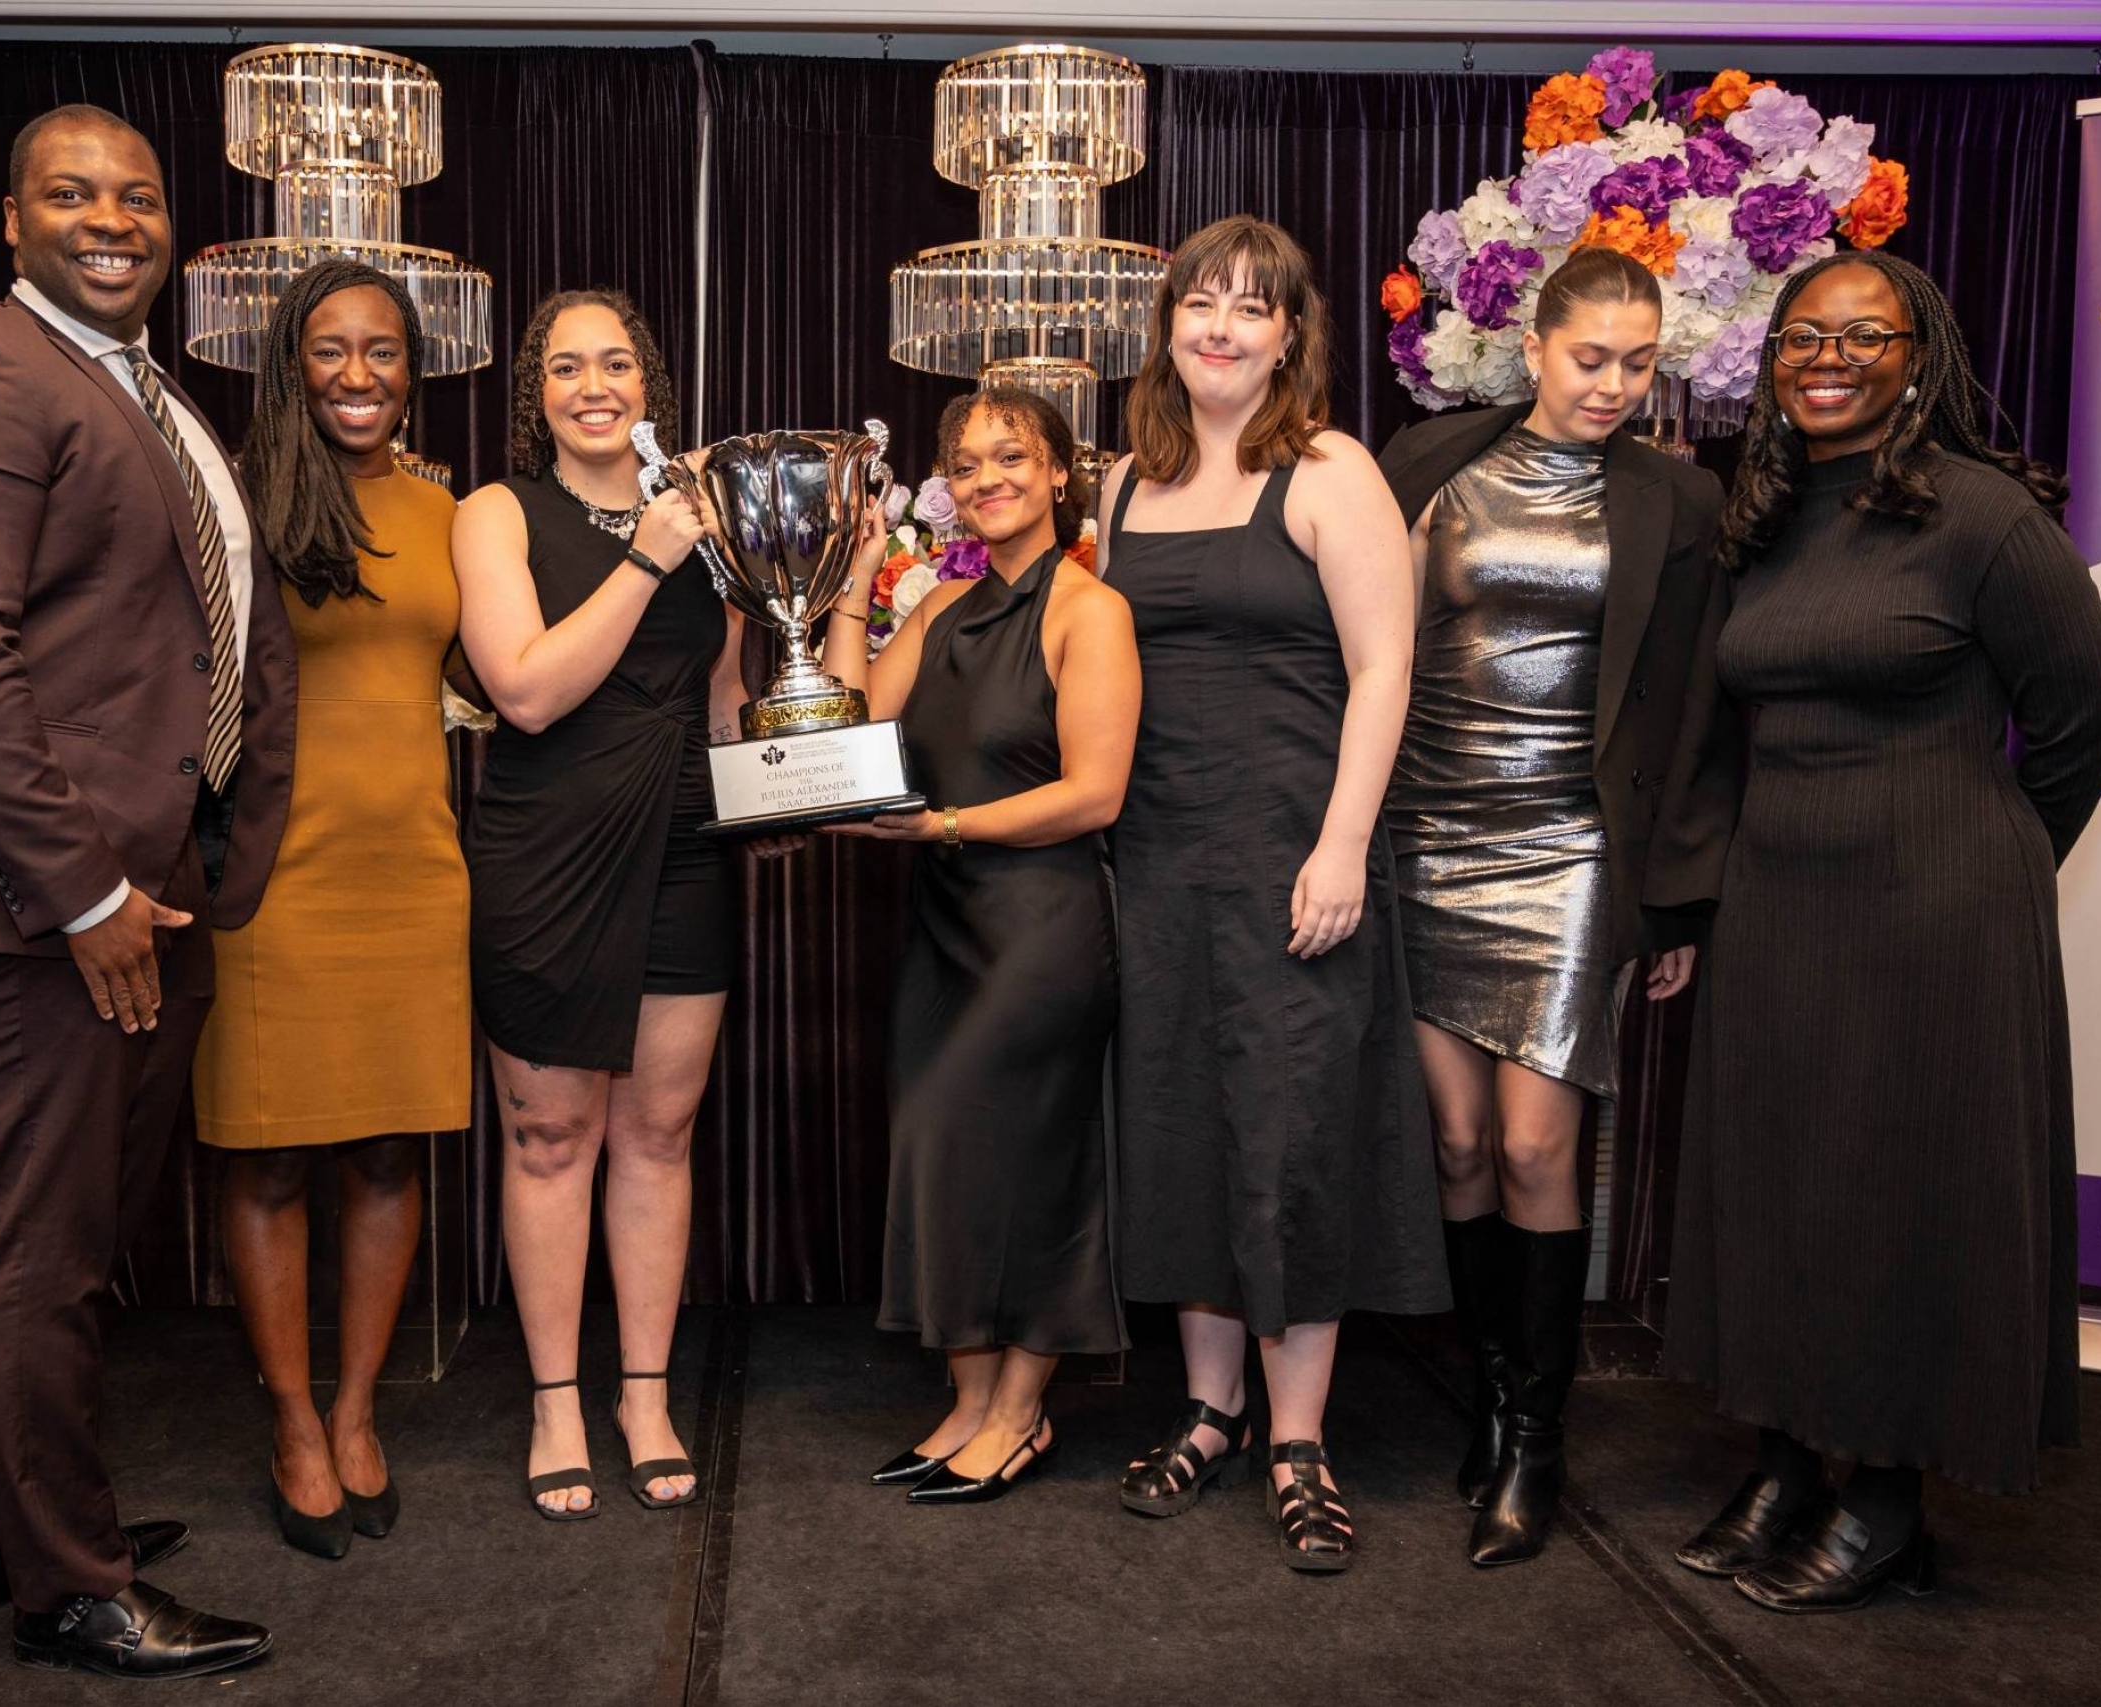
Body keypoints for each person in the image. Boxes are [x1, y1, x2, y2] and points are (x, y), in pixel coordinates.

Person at [0, 104, 287, 1678]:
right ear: (10, 218)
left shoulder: (146, 389)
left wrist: (183, 861)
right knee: (46, 1245)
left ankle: (4, 1525)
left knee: (84, 1229)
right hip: (44, 896)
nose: (111, 217)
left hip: (153, 878)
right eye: (72, 193)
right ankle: (71, 1587)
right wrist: (85, 891)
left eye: (137, 195)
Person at [1665, 250, 2101, 1612]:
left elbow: (2080, 724)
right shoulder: (1764, 511)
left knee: (1901, 1194)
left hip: (1935, 912)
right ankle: (1791, 1452)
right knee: (1790, 1185)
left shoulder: (1984, 518)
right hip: (1782, 898)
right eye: (1805, 334)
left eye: (1864, 337)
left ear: (1917, 357)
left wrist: (1978, 861)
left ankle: (1886, 1492)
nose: (1830, 357)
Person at [1094, 215, 1447, 1572]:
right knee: (1181, 1123)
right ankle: (1209, 1409)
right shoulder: (1123, 482)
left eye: (1254, 308)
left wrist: (1345, 842)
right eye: (1201, 304)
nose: (1223, 328)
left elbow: (1384, 670)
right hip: (1159, 861)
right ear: (1170, 322)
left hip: (1298, 861)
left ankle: (1299, 1439)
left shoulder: (1328, 469)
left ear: (1294, 333)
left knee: (1290, 1133)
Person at [1376, 246, 1737, 1567]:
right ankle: (1488, 1399)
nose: (1616, 386)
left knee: (1536, 1147)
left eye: (1641, 364)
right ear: (1535, 346)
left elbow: (1695, 708)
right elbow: (1363, 639)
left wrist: (1677, 900)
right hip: (1425, 827)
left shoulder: (1678, 499)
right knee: (1461, 1144)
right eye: (1594, 357)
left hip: (1573, 846)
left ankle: (1537, 1437)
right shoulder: (1424, 461)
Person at [451, 289, 753, 1519]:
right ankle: (555, 1402)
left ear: (648, 384)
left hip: (684, 845)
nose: (593, 385)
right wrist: (644, 558)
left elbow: (725, 698)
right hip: (545, 851)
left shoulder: (706, 515)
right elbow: (523, 692)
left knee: (658, 1139)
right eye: (566, 367)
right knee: (549, 1139)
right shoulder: (494, 515)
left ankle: (642, 1394)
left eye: (615, 363)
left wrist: (770, 803)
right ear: (536, 395)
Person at [190, 259, 471, 1559]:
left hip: (413, 867)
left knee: (388, 1148)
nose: (359, 374)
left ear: (414, 367)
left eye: (383, 351)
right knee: (268, 1150)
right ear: (290, 363)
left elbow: (504, 669)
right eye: (330, 349)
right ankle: (293, 1419)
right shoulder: (234, 502)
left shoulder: (447, 512)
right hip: (274, 876)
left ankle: (360, 1408)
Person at [819, 387, 1139, 1504]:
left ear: (1060, 475)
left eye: (1013, 455)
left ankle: (1019, 1414)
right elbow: (844, 728)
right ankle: (965, 1403)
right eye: (966, 463)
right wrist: (859, 573)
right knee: (937, 1155)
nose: (986, 475)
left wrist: (941, 825)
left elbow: (1095, 795)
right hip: (945, 932)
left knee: (1035, 1172)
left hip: (1044, 929)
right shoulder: (941, 615)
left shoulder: (1088, 610)